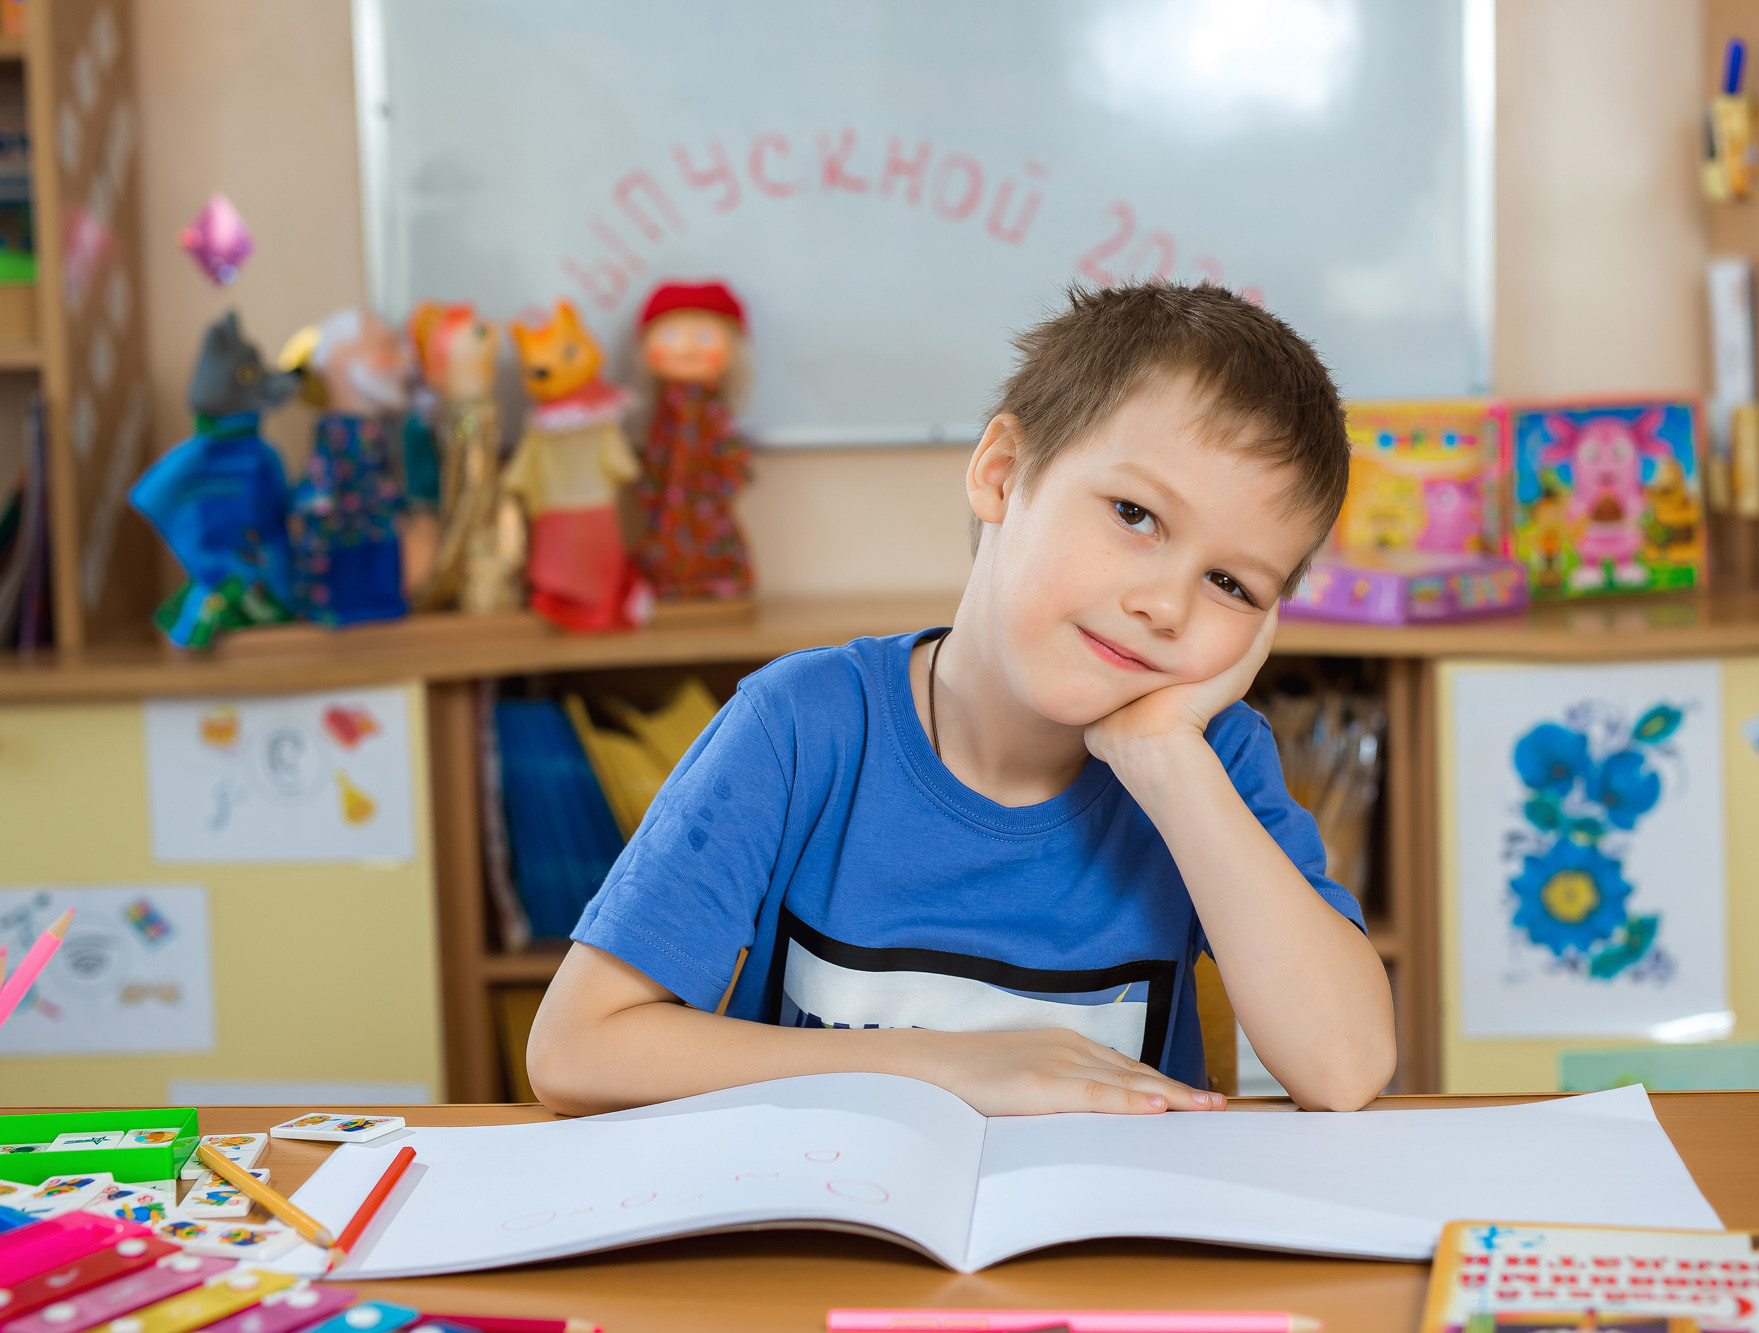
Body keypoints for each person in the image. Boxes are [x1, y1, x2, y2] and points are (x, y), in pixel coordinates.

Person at [529, 283, 1395, 1116]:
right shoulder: (801, 725)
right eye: (1134, 513)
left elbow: (1345, 1067)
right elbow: (576, 1048)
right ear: (1002, 472)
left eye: (1230, 584)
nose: (1165, 607)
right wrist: (945, 1067)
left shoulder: (1212, 757)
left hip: (1099, 1253)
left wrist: (1165, 758)